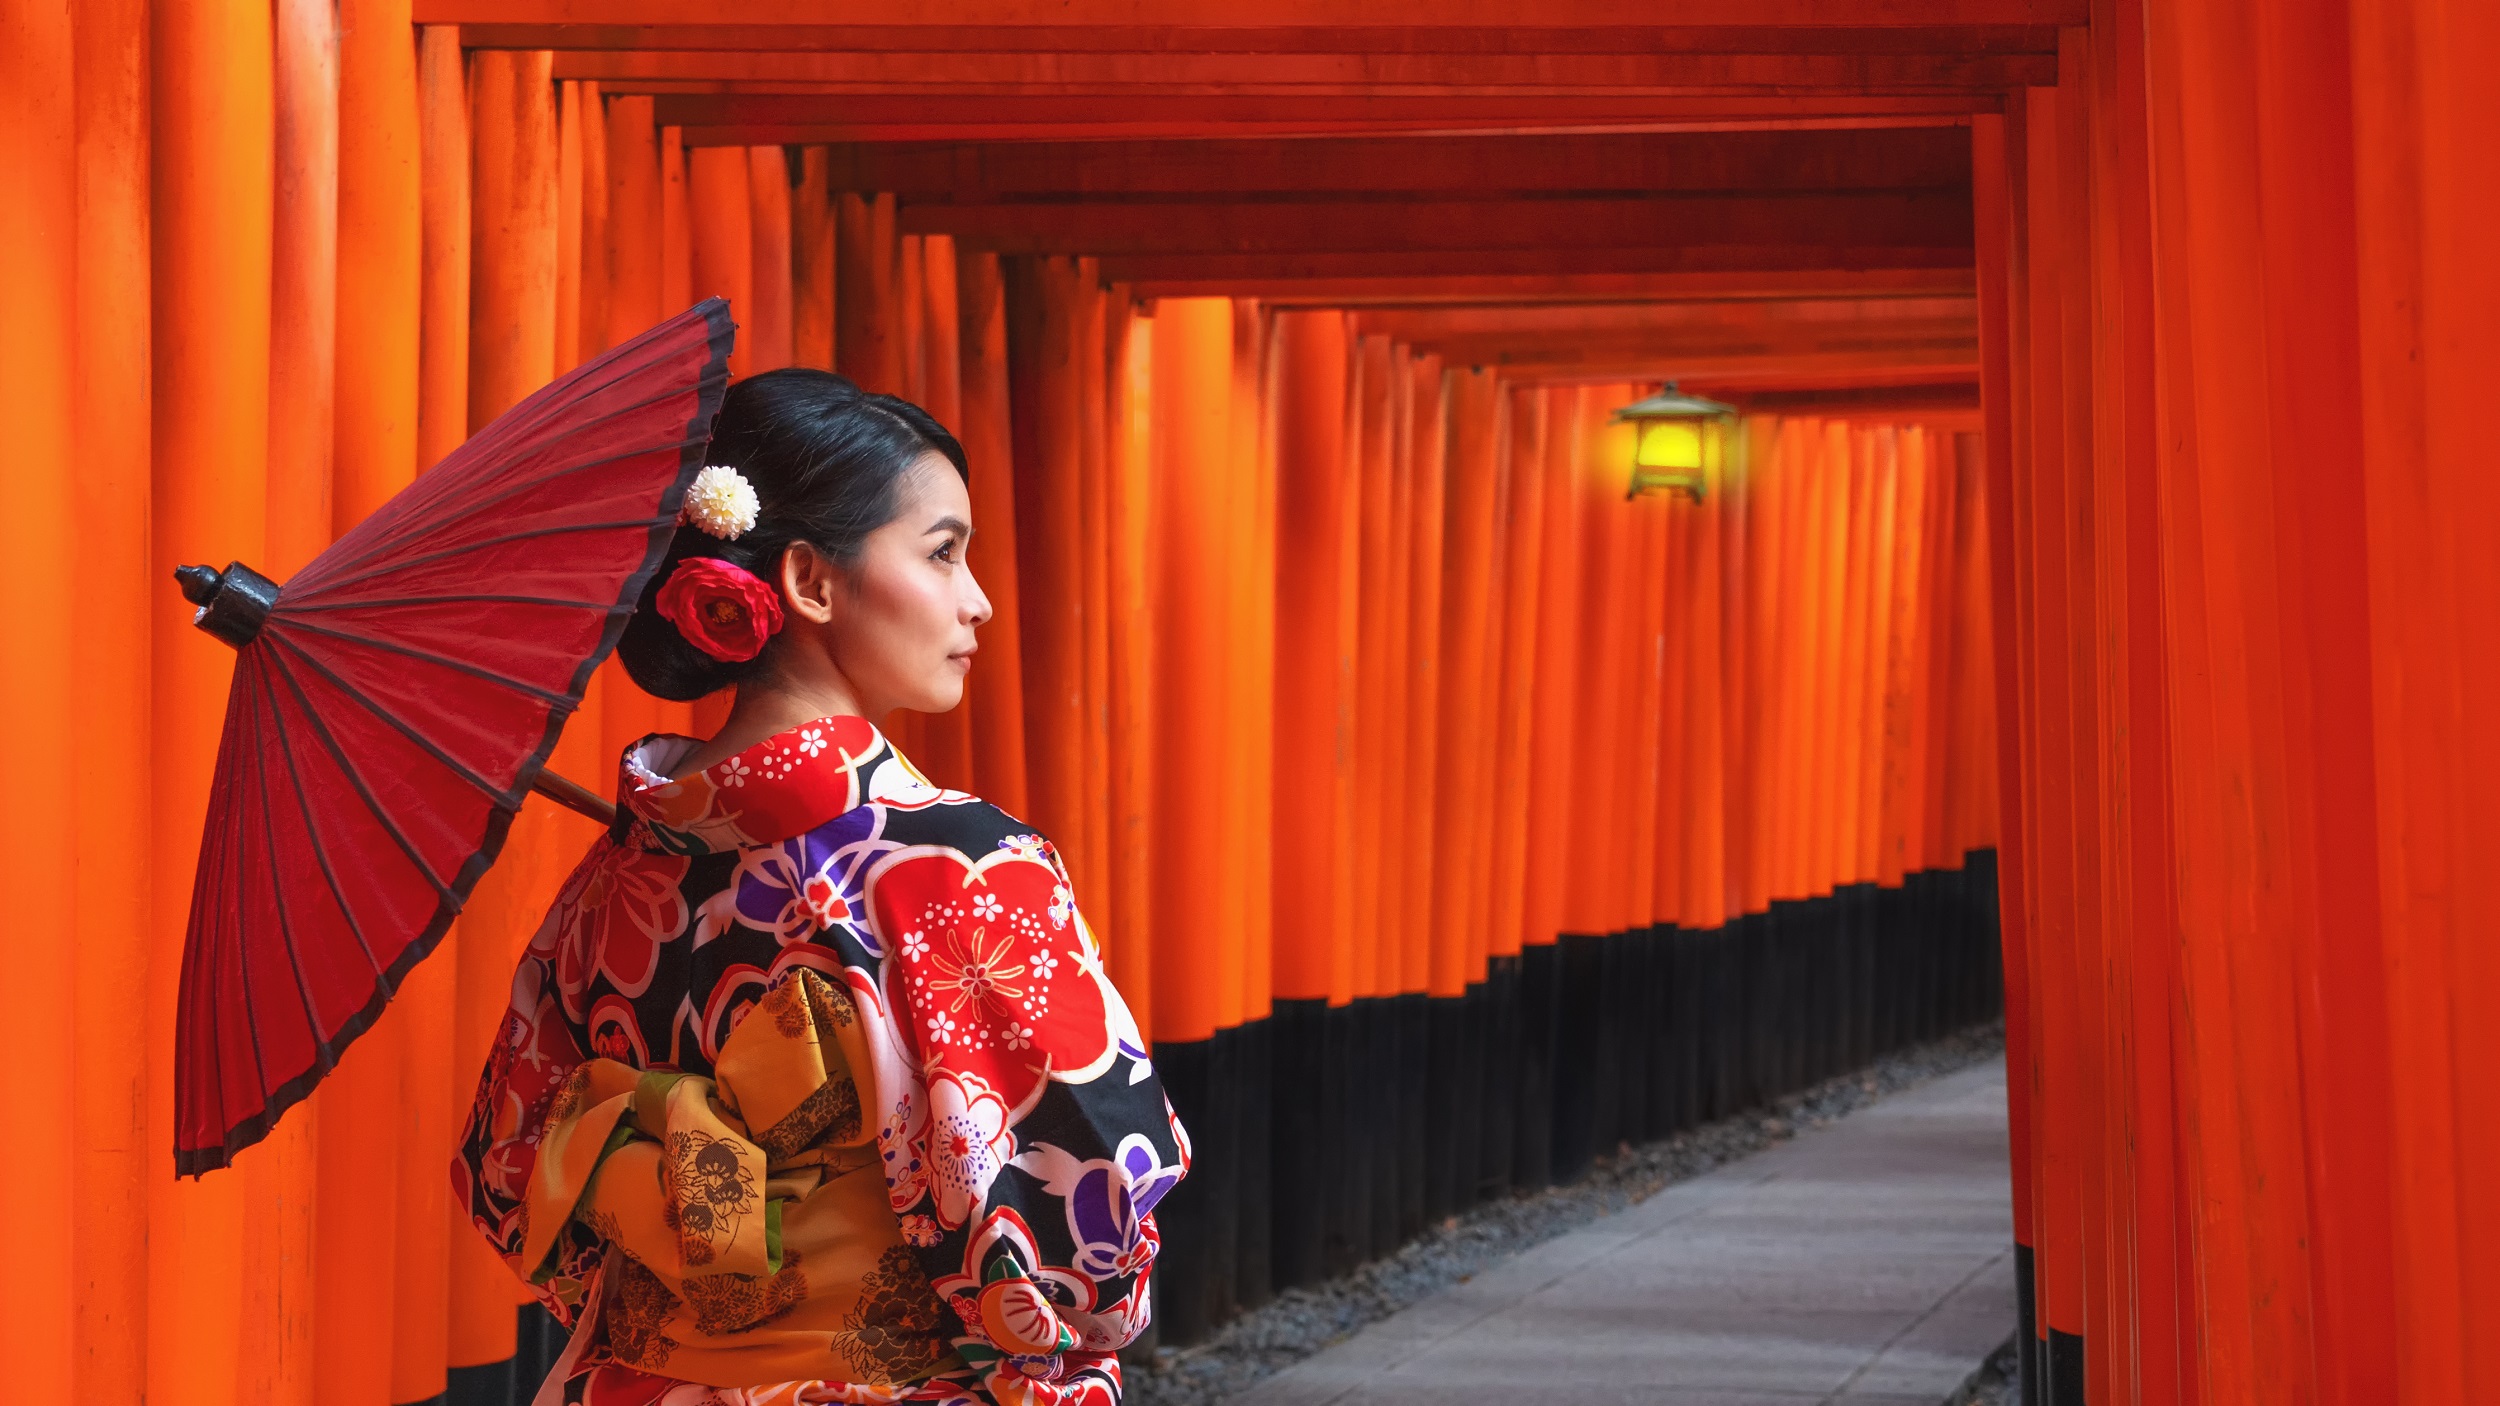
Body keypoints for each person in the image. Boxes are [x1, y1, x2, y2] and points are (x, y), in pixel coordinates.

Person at [453, 369, 1185, 1406]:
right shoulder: (953, 866)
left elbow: (506, 1178)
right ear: (807, 579)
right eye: (941, 552)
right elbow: (1092, 1214)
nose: (975, 598)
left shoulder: (611, 878)